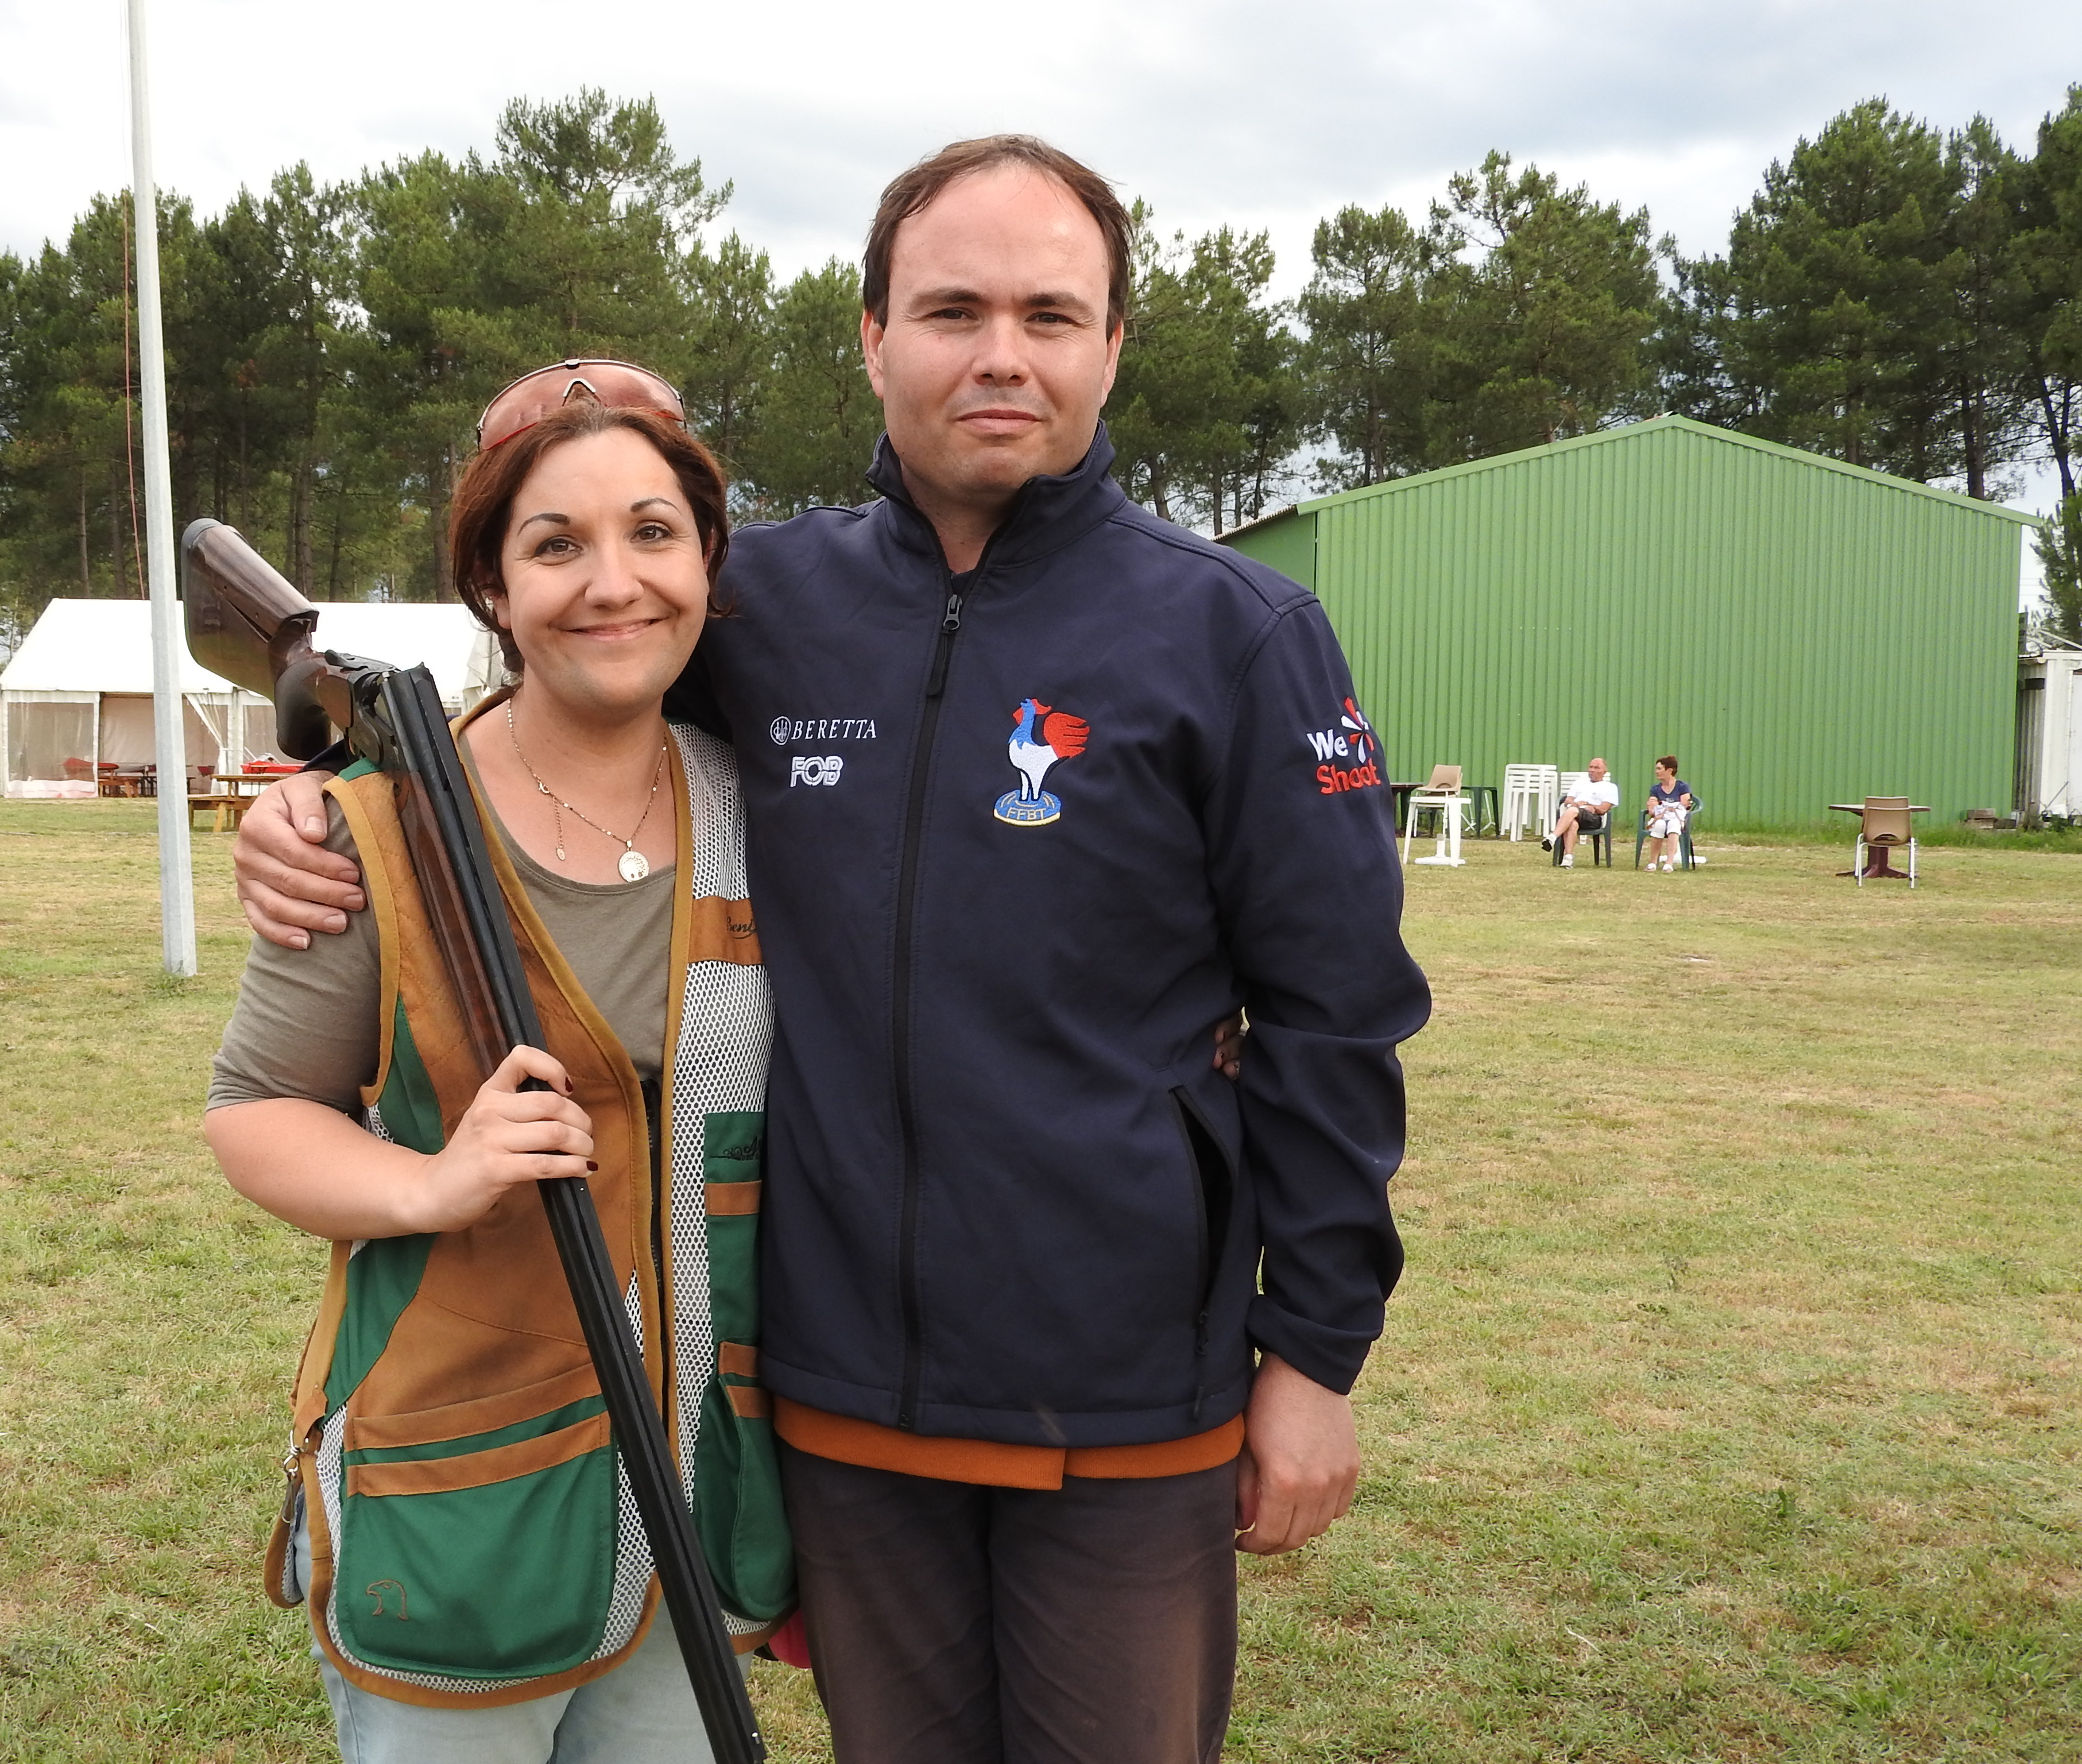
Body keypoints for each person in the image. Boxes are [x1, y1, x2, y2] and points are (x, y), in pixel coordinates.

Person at [235, 136, 1430, 1764]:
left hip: (1127, 1401)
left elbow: (1336, 1021)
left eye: (1049, 313)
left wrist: (1317, 1357)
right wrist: (321, 791)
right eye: (951, 309)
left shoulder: (1238, 636)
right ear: (873, 338)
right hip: (840, 1404)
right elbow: (566, 661)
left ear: (1110, 347)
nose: (1000, 353)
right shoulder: (762, 604)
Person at [204, 389, 794, 1762]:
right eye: (554, 543)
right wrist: (431, 1178)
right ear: (492, 584)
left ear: (707, 562)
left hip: (697, 1490)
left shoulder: (764, 810)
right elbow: (257, 1110)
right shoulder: (373, 824)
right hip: (461, 1484)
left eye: (654, 531)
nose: (612, 580)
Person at [1543, 756, 1619, 865]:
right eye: (1591, 767)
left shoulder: (1610, 787)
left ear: (1604, 772)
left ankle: (1553, 837)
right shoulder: (1579, 783)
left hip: (1594, 817)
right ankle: (1568, 858)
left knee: (1573, 811)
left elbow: (1603, 809)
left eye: (1596, 768)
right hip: (1574, 814)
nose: (1592, 770)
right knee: (1573, 824)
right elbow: (1568, 800)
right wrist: (1575, 804)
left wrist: (1589, 805)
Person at [1640, 755, 1697, 871]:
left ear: (1670, 771)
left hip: (1676, 819)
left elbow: (1685, 805)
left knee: (1674, 824)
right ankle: (1653, 863)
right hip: (1660, 818)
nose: (1656, 772)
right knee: (1660, 824)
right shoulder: (1655, 789)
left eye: (1659, 769)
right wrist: (1653, 806)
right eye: (1656, 769)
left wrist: (1665, 806)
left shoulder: (1682, 786)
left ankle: (1669, 863)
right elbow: (1652, 809)